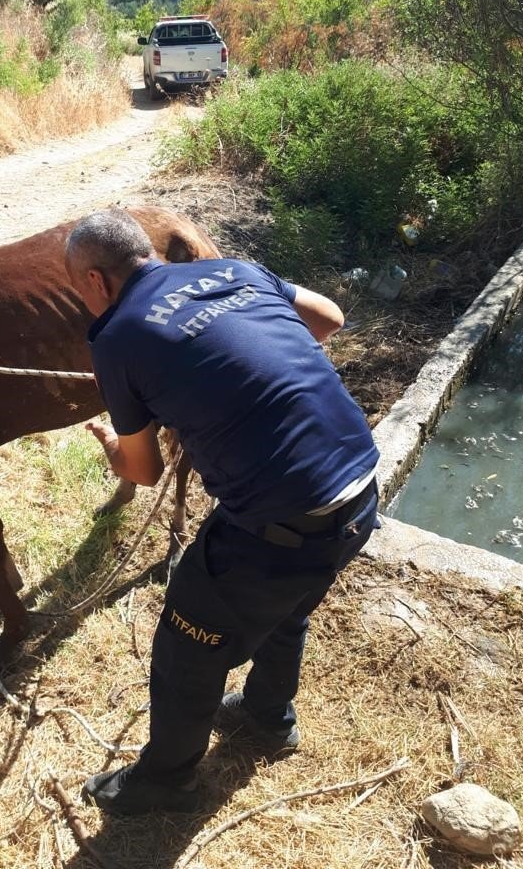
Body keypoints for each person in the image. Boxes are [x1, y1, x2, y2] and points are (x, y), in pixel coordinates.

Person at [64, 209, 381, 816]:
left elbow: (143, 470)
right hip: (360, 491)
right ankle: (266, 717)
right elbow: (329, 319)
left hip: (279, 526)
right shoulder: (231, 270)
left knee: (187, 646)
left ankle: (166, 781)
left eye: (79, 289)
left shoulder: (118, 335)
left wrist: (111, 444)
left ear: (96, 283)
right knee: (288, 603)